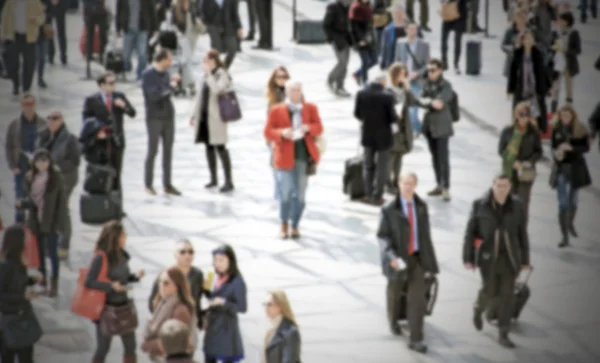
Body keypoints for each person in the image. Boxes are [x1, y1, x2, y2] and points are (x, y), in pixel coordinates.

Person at [463, 173, 531, 349]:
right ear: (493, 185)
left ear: (510, 187)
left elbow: (522, 234)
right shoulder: (480, 204)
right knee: (489, 290)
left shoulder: (517, 205)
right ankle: (478, 310)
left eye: (505, 186)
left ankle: (503, 333)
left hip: (510, 257)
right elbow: (470, 232)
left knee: (507, 295)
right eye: (499, 186)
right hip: (487, 257)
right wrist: (468, 257)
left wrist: (525, 261)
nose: (502, 190)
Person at [377, 172, 439, 354]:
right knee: (395, 292)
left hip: (417, 258)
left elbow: (426, 236)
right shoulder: (389, 209)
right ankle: (393, 320)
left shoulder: (421, 207)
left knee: (417, 299)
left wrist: (430, 264)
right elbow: (382, 236)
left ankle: (416, 338)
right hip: (397, 258)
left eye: (411, 183)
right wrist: (392, 257)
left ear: (416, 185)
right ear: (399, 184)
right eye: (405, 183)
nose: (408, 187)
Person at [264, 80, 324, 239]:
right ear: (287, 92)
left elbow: (319, 127)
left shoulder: (310, 108)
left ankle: (295, 224)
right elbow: (268, 132)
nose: (296, 93)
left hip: (302, 157)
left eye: (298, 90)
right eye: (292, 90)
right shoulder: (276, 110)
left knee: (301, 194)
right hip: (283, 157)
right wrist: (282, 133)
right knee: (285, 192)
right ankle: (283, 223)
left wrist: (309, 128)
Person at [85, 220, 144, 363]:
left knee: (131, 347)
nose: (126, 238)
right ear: (115, 237)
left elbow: (122, 279)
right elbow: (89, 282)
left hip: (124, 308)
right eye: (123, 235)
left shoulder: (122, 255)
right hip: (106, 310)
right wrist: (111, 286)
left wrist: (135, 277)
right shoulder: (101, 257)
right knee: (103, 348)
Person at [17, 149, 66, 297]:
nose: (42, 164)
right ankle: (42, 281)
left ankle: (54, 284)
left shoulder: (56, 176)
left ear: (49, 162)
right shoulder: (29, 177)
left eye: (45, 161)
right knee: (39, 254)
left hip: (50, 221)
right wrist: (22, 204)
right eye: (39, 161)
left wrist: (60, 224)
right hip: (35, 221)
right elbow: (30, 200)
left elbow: (61, 202)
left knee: (52, 253)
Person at [83, 71, 137, 195]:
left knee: (117, 173)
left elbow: (133, 113)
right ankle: (101, 204)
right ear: (102, 85)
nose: (114, 86)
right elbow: (86, 121)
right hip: (100, 142)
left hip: (117, 140)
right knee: (100, 172)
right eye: (110, 83)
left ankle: (117, 206)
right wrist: (96, 133)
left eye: (115, 82)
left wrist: (124, 106)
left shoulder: (119, 96)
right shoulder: (91, 100)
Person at [36, 111, 81, 260]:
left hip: (65, 179)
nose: (52, 122)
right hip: (48, 178)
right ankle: (50, 245)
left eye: (56, 119)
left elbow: (75, 161)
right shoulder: (43, 136)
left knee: (62, 208)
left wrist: (55, 166)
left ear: (61, 120)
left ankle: (63, 245)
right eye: (49, 119)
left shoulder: (69, 138)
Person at [190, 49, 235, 193]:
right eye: (204, 62)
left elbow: (217, 90)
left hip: (217, 117)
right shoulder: (205, 76)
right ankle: (213, 178)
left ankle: (228, 181)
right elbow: (199, 97)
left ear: (214, 61)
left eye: (208, 61)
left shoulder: (222, 74)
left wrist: (209, 74)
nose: (205, 64)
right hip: (204, 116)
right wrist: (194, 115)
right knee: (208, 147)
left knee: (221, 147)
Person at [0, 224, 43, 363]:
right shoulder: (4, 266)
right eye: (25, 238)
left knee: (27, 357)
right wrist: (22, 296)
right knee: (9, 357)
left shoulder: (19, 262)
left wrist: (31, 281)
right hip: (9, 320)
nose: (27, 241)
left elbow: (17, 283)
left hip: (22, 317)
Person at [141, 49, 182, 196]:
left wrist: (176, 85)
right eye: (169, 60)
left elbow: (169, 93)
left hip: (168, 116)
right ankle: (148, 184)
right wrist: (171, 86)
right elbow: (154, 96)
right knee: (153, 151)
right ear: (162, 59)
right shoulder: (148, 75)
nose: (171, 63)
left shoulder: (166, 73)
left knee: (168, 151)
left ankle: (167, 184)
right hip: (154, 117)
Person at [550, 105, 591, 248]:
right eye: (562, 116)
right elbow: (553, 147)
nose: (565, 118)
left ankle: (570, 223)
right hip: (562, 168)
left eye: (567, 116)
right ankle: (564, 236)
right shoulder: (557, 129)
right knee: (563, 203)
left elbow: (586, 148)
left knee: (573, 200)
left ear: (573, 116)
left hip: (576, 168)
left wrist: (572, 148)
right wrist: (557, 154)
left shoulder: (580, 129)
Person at [354, 73, 396, 205]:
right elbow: (393, 118)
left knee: (368, 165)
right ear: (383, 82)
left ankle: (368, 193)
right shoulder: (388, 96)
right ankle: (378, 195)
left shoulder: (361, 93)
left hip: (367, 133)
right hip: (384, 136)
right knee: (382, 166)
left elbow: (357, 114)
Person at [498, 101, 542, 226]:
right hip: (509, 171)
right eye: (521, 114)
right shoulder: (507, 131)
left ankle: (521, 231)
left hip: (525, 172)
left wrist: (528, 162)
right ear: (516, 115)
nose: (524, 117)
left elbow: (539, 151)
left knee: (522, 202)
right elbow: (501, 150)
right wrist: (513, 162)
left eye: (526, 114)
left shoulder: (534, 132)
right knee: (509, 201)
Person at [4, 93, 46, 222]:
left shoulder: (42, 123)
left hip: (37, 164)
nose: (29, 107)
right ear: (21, 106)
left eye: (31, 104)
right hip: (21, 163)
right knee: (20, 193)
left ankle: (37, 220)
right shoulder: (14, 124)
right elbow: (8, 146)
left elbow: (47, 144)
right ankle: (20, 221)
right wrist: (13, 165)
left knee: (38, 192)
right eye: (26, 104)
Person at [142, 267, 198, 360]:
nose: (161, 286)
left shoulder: (180, 310)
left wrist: (147, 345)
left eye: (166, 283)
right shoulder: (163, 303)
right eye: (160, 281)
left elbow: (176, 344)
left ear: (177, 286)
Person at [203, 245, 247, 363]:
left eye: (221, 260)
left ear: (230, 260)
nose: (218, 263)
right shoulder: (214, 277)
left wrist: (224, 302)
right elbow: (210, 298)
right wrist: (206, 290)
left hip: (227, 331)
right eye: (215, 260)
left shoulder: (237, 281)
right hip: (212, 329)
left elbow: (242, 307)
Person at [148, 239, 204, 330]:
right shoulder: (166, 274)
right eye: (182, 252)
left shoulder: (198, 274)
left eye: (191, 252)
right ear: (175, 255)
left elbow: (198, 300)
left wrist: (200, 320)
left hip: (189, 325)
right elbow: (152, 303)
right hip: (168, 326)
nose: (187, 255)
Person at [420, 59, 455, 201]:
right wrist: (429, 102)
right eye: (428, 70)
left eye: (433, 70)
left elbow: (439, 104)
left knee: (443, 158)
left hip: (442, 127)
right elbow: (420, 100)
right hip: (429, 126)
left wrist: (429, 102)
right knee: (434, 157)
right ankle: (439, 184)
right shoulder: (427, 83)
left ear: (440, 70)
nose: (430, 72)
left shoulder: (446, 86)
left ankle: (446, 187)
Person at [507, 29, 550, 134]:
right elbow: (512, 72)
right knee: (521, 111)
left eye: (530, 38)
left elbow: (543, 71)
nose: (528, 41)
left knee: (536, 112)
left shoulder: (538, 54)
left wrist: (548, 86)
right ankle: (519, 130)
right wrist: (509, 89)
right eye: (526, 39)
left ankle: (536, 132)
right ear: (522, 41)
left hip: (535, 90)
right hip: (522, 88)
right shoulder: (518, 53)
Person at [0, 0, 45, 95]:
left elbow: (42, 16)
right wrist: (3, 34)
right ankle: (16, 83)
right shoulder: (10, 3)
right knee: (12, 63)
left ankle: (26, 88)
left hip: (29, 38)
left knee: (29, 64)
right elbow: (4, 17)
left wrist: (36, 20)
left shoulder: (34, 2)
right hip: (15, 37)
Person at [395, 22, 429, 135]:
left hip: (417, 81)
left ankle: (416, 130)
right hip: (404, 81)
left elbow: (427, 64)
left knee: (413, 108)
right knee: (406, 107)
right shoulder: (400, 43)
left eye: (414, 29)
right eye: (410, 29)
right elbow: (397, 61)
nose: (412, 31)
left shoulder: (424, 45)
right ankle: (418, 128)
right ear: (406, 30)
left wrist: (417, 73)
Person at [386, 62, 414, 193]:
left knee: (399, 157)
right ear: (395, 74)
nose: (403, 77)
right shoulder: (388, 89)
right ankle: (388, 184)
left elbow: (413, 102)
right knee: (390, 158)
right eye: (401, 74)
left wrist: (408, 88)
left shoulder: (403, 89)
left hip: (403, 128)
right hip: (392, 128)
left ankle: (396, 181)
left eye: (405, 74)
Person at [265, 66, 290, 200]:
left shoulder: (293, 91)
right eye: (279, 77)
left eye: (284, 77)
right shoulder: (272, 95)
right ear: (274, 79)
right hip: (275, 136)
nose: (282, 80)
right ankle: (279, 194)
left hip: (290, 136)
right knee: (275, 166)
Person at [115, 0, 157, 80]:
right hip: (128, 29)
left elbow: (152, 11)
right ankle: (127, 69)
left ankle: (141, 74)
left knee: (142, 54)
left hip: (142, 28)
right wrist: (118, 28)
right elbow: (119, 12)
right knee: (126, 55)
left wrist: (155, 28)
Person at [170, 0, 204, 93]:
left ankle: (181, 83)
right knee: (185, 61)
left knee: (185, 61)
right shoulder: (175, 5)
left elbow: (199, 16)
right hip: (181, 37)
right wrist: (177, 33)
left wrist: (197, 19)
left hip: (192, 36)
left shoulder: (193, 4)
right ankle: (189, 83)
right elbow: (172, 22)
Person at [550, 11, 581, 112]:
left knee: (569, 86)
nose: (559, 21)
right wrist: (553, 48)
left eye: (562, 20)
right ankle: (553, 109)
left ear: (567, 22)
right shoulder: (556, 32)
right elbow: (551, 44)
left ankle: (569, 108)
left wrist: (567, 50)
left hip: (569, 64)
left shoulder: (574, 33)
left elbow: (578, 50)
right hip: (557, 63)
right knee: (555, 86)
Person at [199, 0, 243, 69]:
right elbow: (203, 9)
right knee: (217, 50)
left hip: (229, 26)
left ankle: (223, 69)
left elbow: (235, 12)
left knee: (233, 49)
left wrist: (239, 27)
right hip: (213, 26)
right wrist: (207, 24)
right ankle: (217, 71)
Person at [262, 290, 301, 363]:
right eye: (265, 304)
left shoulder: (291, 332)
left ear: (280, 306)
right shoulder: (270, 330)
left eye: (269, 304)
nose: (266, 308)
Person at [323, 0, 352, 96]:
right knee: (342, 62)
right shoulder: (333, 8)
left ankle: (340, 86)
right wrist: (331, 38)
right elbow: (326, 25)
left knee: (345, 64)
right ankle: (331, 79)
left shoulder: (350, 8)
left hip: (347, 39)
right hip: (337, 39)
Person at [349, 0, 377, 85]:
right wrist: (360, 40)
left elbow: (370, 24)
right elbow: (354, 27)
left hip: (369, 38)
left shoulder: (369, 6)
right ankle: (365, 82)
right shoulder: (356, 8)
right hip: (360, 39)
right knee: (365, 61)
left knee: (374, 60)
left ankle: (357, 73)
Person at [82, 0, 109, 78]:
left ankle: (102, 53)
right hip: (89, 11)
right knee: (89, 36)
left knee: (103, 35)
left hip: (102, 11)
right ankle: (89, 55)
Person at [440, 0, 467, 74]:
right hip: (448, 11)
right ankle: (444, 62)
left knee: (457, 40)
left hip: (460, 13)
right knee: (443, 39)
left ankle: (456, 64)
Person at [379, 3, 408, 71]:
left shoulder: (411, 27)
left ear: (404, 13)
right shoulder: (388, 30)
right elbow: (384, 47)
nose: (398, 15)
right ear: (392, 15)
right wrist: (383, 63)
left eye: (400, 12)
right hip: (392, 63)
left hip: (407, 63)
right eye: (396, 13)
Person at [501, 11, 528, 79]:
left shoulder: (528, 32)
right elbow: (503, 46)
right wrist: (513, 48)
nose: (521, 22)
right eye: (519, 20)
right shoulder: (509, 32)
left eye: (523, 20)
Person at [36, 0, 52, 89]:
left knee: (42, 58)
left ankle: (40, 78)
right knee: (34, 58)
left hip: (43, 33)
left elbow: (51, 13)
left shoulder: (46, 2)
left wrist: (44, 16)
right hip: (33, 33)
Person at [47, 0, 68, 65]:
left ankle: (63, 56)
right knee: (48, 31)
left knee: (61, 31)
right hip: (47, 5)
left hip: (60, 4)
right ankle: (50, 55)